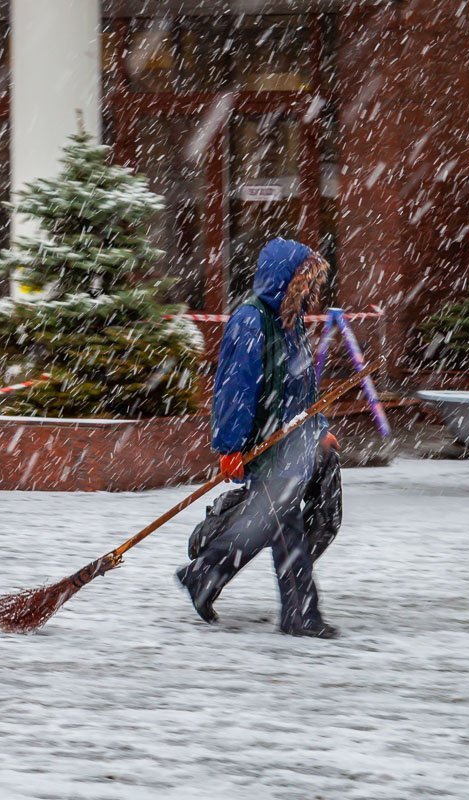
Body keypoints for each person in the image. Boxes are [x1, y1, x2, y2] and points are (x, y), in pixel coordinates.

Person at [176, 237, 340, 639]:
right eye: (304, 282)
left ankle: (204, 574)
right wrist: (230, 448)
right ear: (284, 280)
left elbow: (304, 386)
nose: (311, 291)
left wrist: (319, 430)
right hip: (264, 446)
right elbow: (235, 387)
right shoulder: (251, 320)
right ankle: (300, 616)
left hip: (293, 443)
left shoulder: (290, 319)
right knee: (288, 531)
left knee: (273, 525)